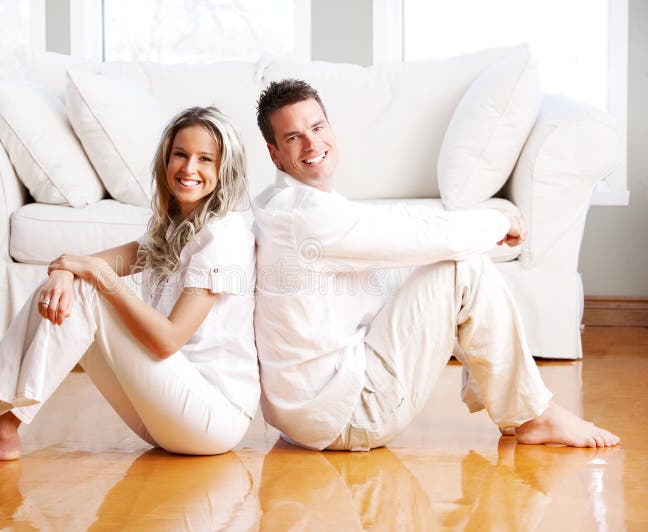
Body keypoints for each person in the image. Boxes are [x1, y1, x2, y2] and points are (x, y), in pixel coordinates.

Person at [0, 106, 258, 473]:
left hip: (211, 418)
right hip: (166, 412)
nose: (189, 168)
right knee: (73, 287)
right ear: (166, 158)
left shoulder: (222, 234)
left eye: (206, 159)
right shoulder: (179, 223)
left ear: (225, 169)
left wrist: (94, 275)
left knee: (88, 289)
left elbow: (167, 340)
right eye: (181, 154)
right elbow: (99, 262)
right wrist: (65, 271)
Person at [252, 79, 620, 451]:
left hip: (304, 419)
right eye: (294, 137)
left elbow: (395, 230)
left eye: (317, 127)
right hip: (349, 417)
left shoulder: (281, 203)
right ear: (275, 154)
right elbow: (427, 237)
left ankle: (517, 404)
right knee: (463, 267)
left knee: (436, 265)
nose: (313, 143)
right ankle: (532, 416)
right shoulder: (308, 217)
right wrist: (497, 222)